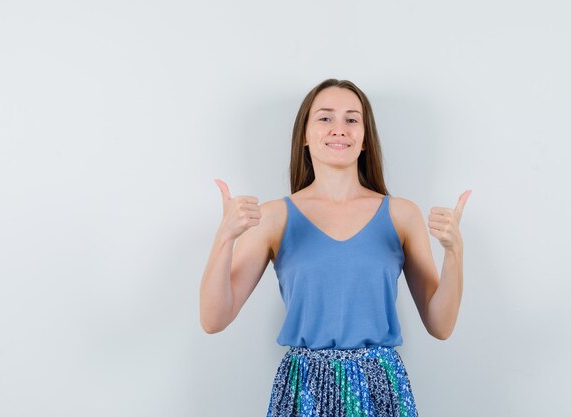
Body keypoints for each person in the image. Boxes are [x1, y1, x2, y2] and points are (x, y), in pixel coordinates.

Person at [200, 78, 471, 417]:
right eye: (325, 118)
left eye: (352, 119)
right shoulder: (273, 217)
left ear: (364, 139)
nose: (339, 129)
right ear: (304, 134)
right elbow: (213, 319)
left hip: (380, 389)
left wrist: (454, 251)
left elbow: (441, 325)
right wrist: (224, 237)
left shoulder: (402, 214)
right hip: (303, 391)